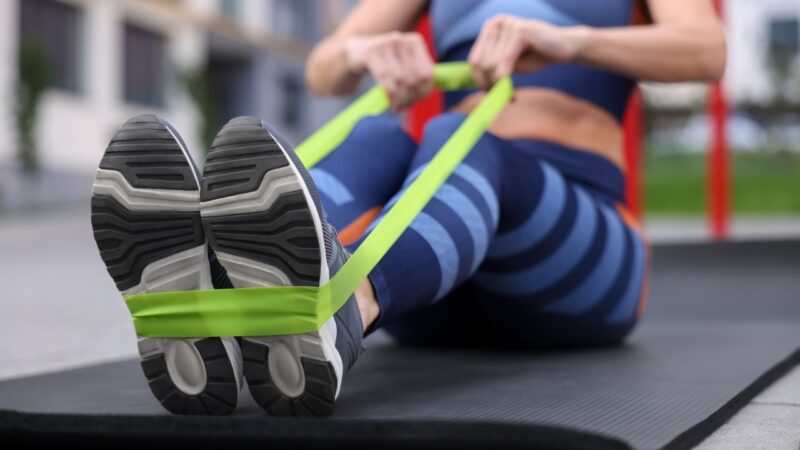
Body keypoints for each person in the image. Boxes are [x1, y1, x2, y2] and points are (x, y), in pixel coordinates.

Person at [90, 0, 725, 417]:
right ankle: (222, 308)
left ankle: (340, 315)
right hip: (441, 271)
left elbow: (706, 49)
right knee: (377, 135)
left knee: (463, 135)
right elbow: (324, 66)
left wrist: (568, 42)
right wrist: (368, 53)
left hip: (581, 260)